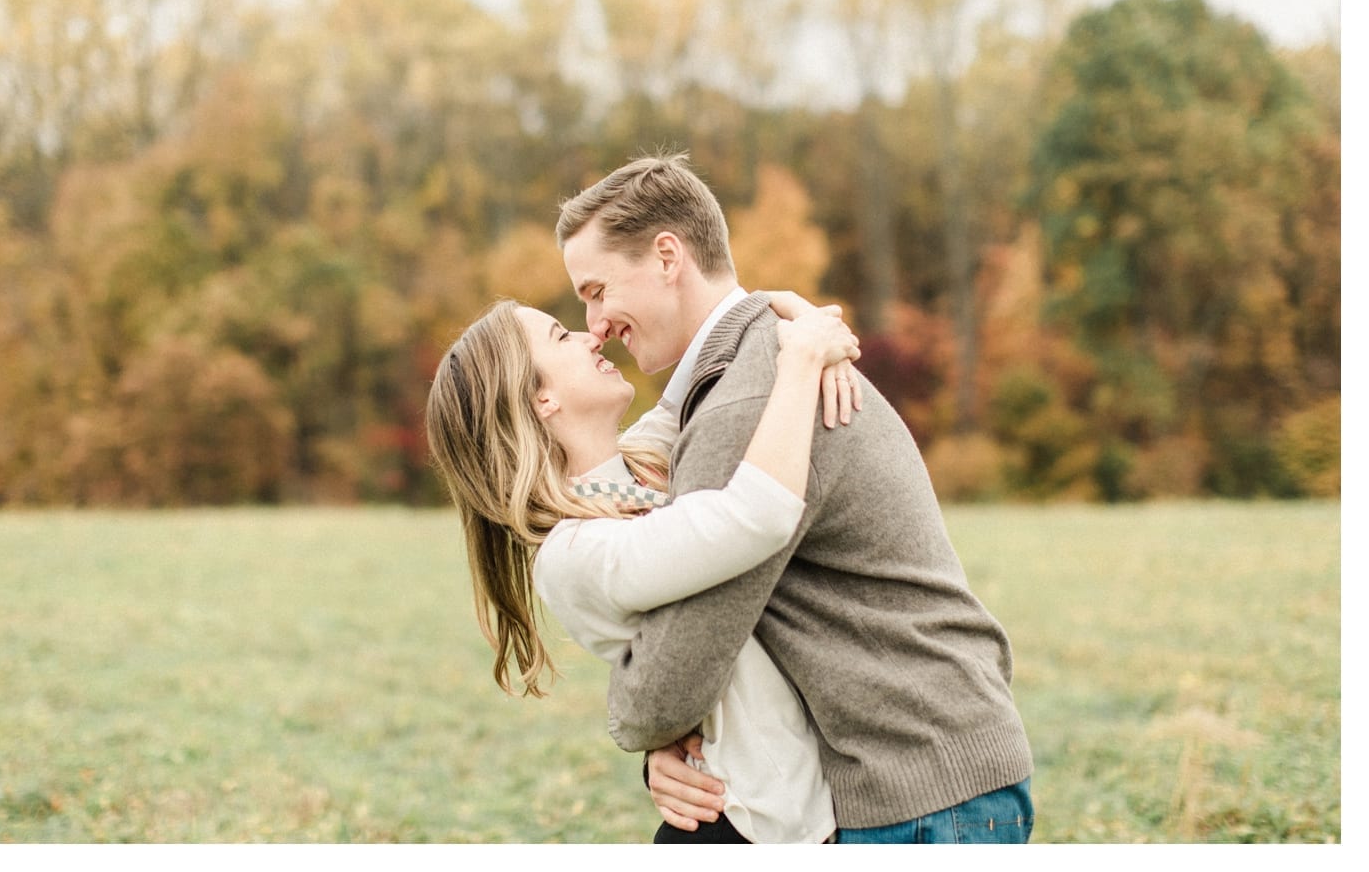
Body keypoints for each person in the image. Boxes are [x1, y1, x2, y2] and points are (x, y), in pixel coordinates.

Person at [555, 151, 1035, 844]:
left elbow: (678, 669)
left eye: (597, 290)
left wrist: (649, 733)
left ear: (668, 256)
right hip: (932, 770)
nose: (595, 323)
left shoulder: (747, 398)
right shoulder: (755, 365)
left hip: (921, 793)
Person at [424, 292, 864, 842]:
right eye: (563, 336)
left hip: (799, 810)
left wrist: (775, 302)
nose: (592, 334)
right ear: (540, 400)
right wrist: (801, 360)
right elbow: (756, 516)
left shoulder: (638, 465)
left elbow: (704, 345)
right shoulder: (572, 554)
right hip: (743, 827)